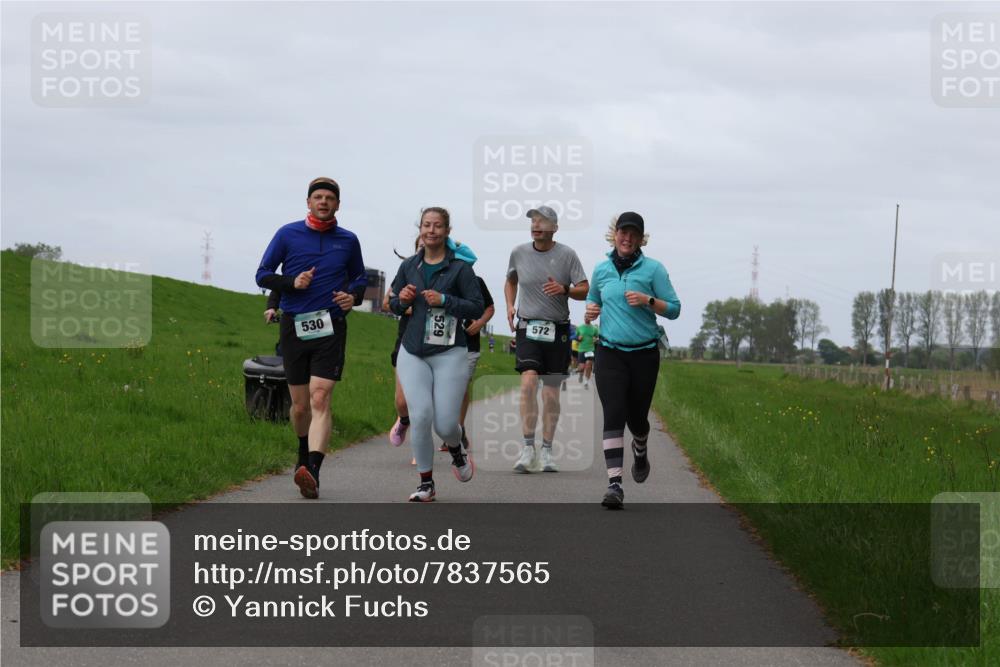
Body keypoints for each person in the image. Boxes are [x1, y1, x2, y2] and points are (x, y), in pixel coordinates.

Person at [255, 177, 367, 499]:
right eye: (317, 197)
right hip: (294, 326)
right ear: (308, 202)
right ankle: (302, 456)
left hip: (330, 325)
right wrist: (292, 282)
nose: (323, 202)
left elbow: (359, 278)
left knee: (320, 398)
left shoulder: (348, 240)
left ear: (337, 205)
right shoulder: (287, 234)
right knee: (301, 406)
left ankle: (313, 470)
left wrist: (353, 297)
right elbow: (262, 274)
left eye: (330, 198)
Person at [585, 212, 680, 509]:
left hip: (644, 354)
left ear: (641, 239)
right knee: (613, 414)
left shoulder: (653, 270)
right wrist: (591, 312)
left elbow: (675, 309)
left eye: (633, 234)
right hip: (610, 352)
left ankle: (641, 446)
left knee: (637, 418)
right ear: (614, 235)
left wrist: (648, 300)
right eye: (622, 233)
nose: (627, 238)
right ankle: (614, 484)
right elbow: (593, 301)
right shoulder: (601, 270)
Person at [389, 207, 484, 502]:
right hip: (413, 349)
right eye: (426, 225)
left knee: (444, 424)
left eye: (438, 226)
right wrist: (400, 300)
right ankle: (426, 483)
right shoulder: (410, 266)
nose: (431, 230)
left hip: (449, 352)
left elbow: (476, 307)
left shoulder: (460, 269)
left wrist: (445, 300)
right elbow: (392, 303)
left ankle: (457, 450)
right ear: (420, 230)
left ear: (447, 231)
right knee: (420, 415)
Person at [505, 205, 588, 473]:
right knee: (528, 382)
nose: (537, 225)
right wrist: (509, 304)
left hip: (558, 330)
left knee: (551, 394)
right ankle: (528, 448)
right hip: (527, 326)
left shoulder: (568, 255)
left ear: (555, 227)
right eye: (533, 220)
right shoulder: (518, 252)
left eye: (543, 221)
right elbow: (511, 281)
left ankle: (547, 451)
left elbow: (584, 290)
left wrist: (565, 289)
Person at [457, 276, 495, 451]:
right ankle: (450, 430)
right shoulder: (441, 279)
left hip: (469, 345)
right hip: (442, 344)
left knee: (462, 387)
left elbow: (490, 307)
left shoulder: (476, 281)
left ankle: (458, 429)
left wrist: (480, 323)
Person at [575, 320, 599, 388]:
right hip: (581, 349)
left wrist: (596, 339)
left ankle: (586, 381)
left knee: (589, 364)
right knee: (582, 367)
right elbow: (575, 336)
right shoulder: (580, 327)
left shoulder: (594, 328)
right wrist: (578, 338)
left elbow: (598, 336)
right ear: (584, 318)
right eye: (585, 316)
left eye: (588, 317)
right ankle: (581, 375)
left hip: (590, 349)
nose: (587, 318)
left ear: (590, 319)